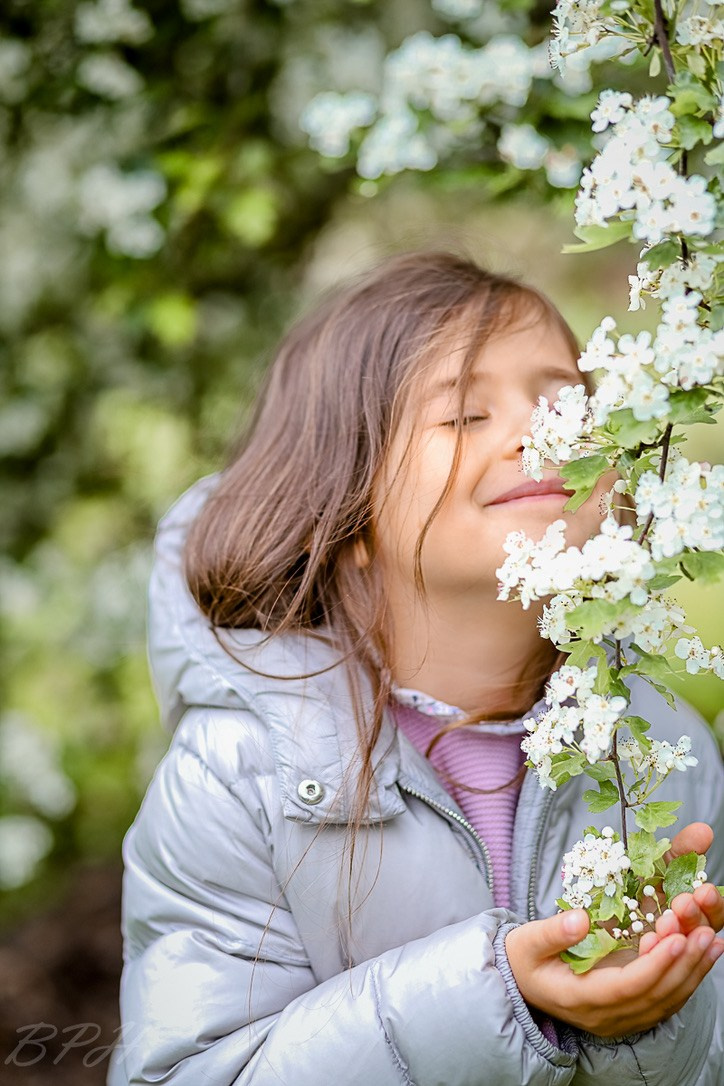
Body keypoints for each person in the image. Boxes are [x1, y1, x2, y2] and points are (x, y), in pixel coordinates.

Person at [108, 251, 724, 1086]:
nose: (536, 433)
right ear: (347, 511)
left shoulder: (664, 751)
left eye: (564, 400)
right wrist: (491, 1002)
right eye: (467, 415)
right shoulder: (238, 779)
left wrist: (647, 1026)